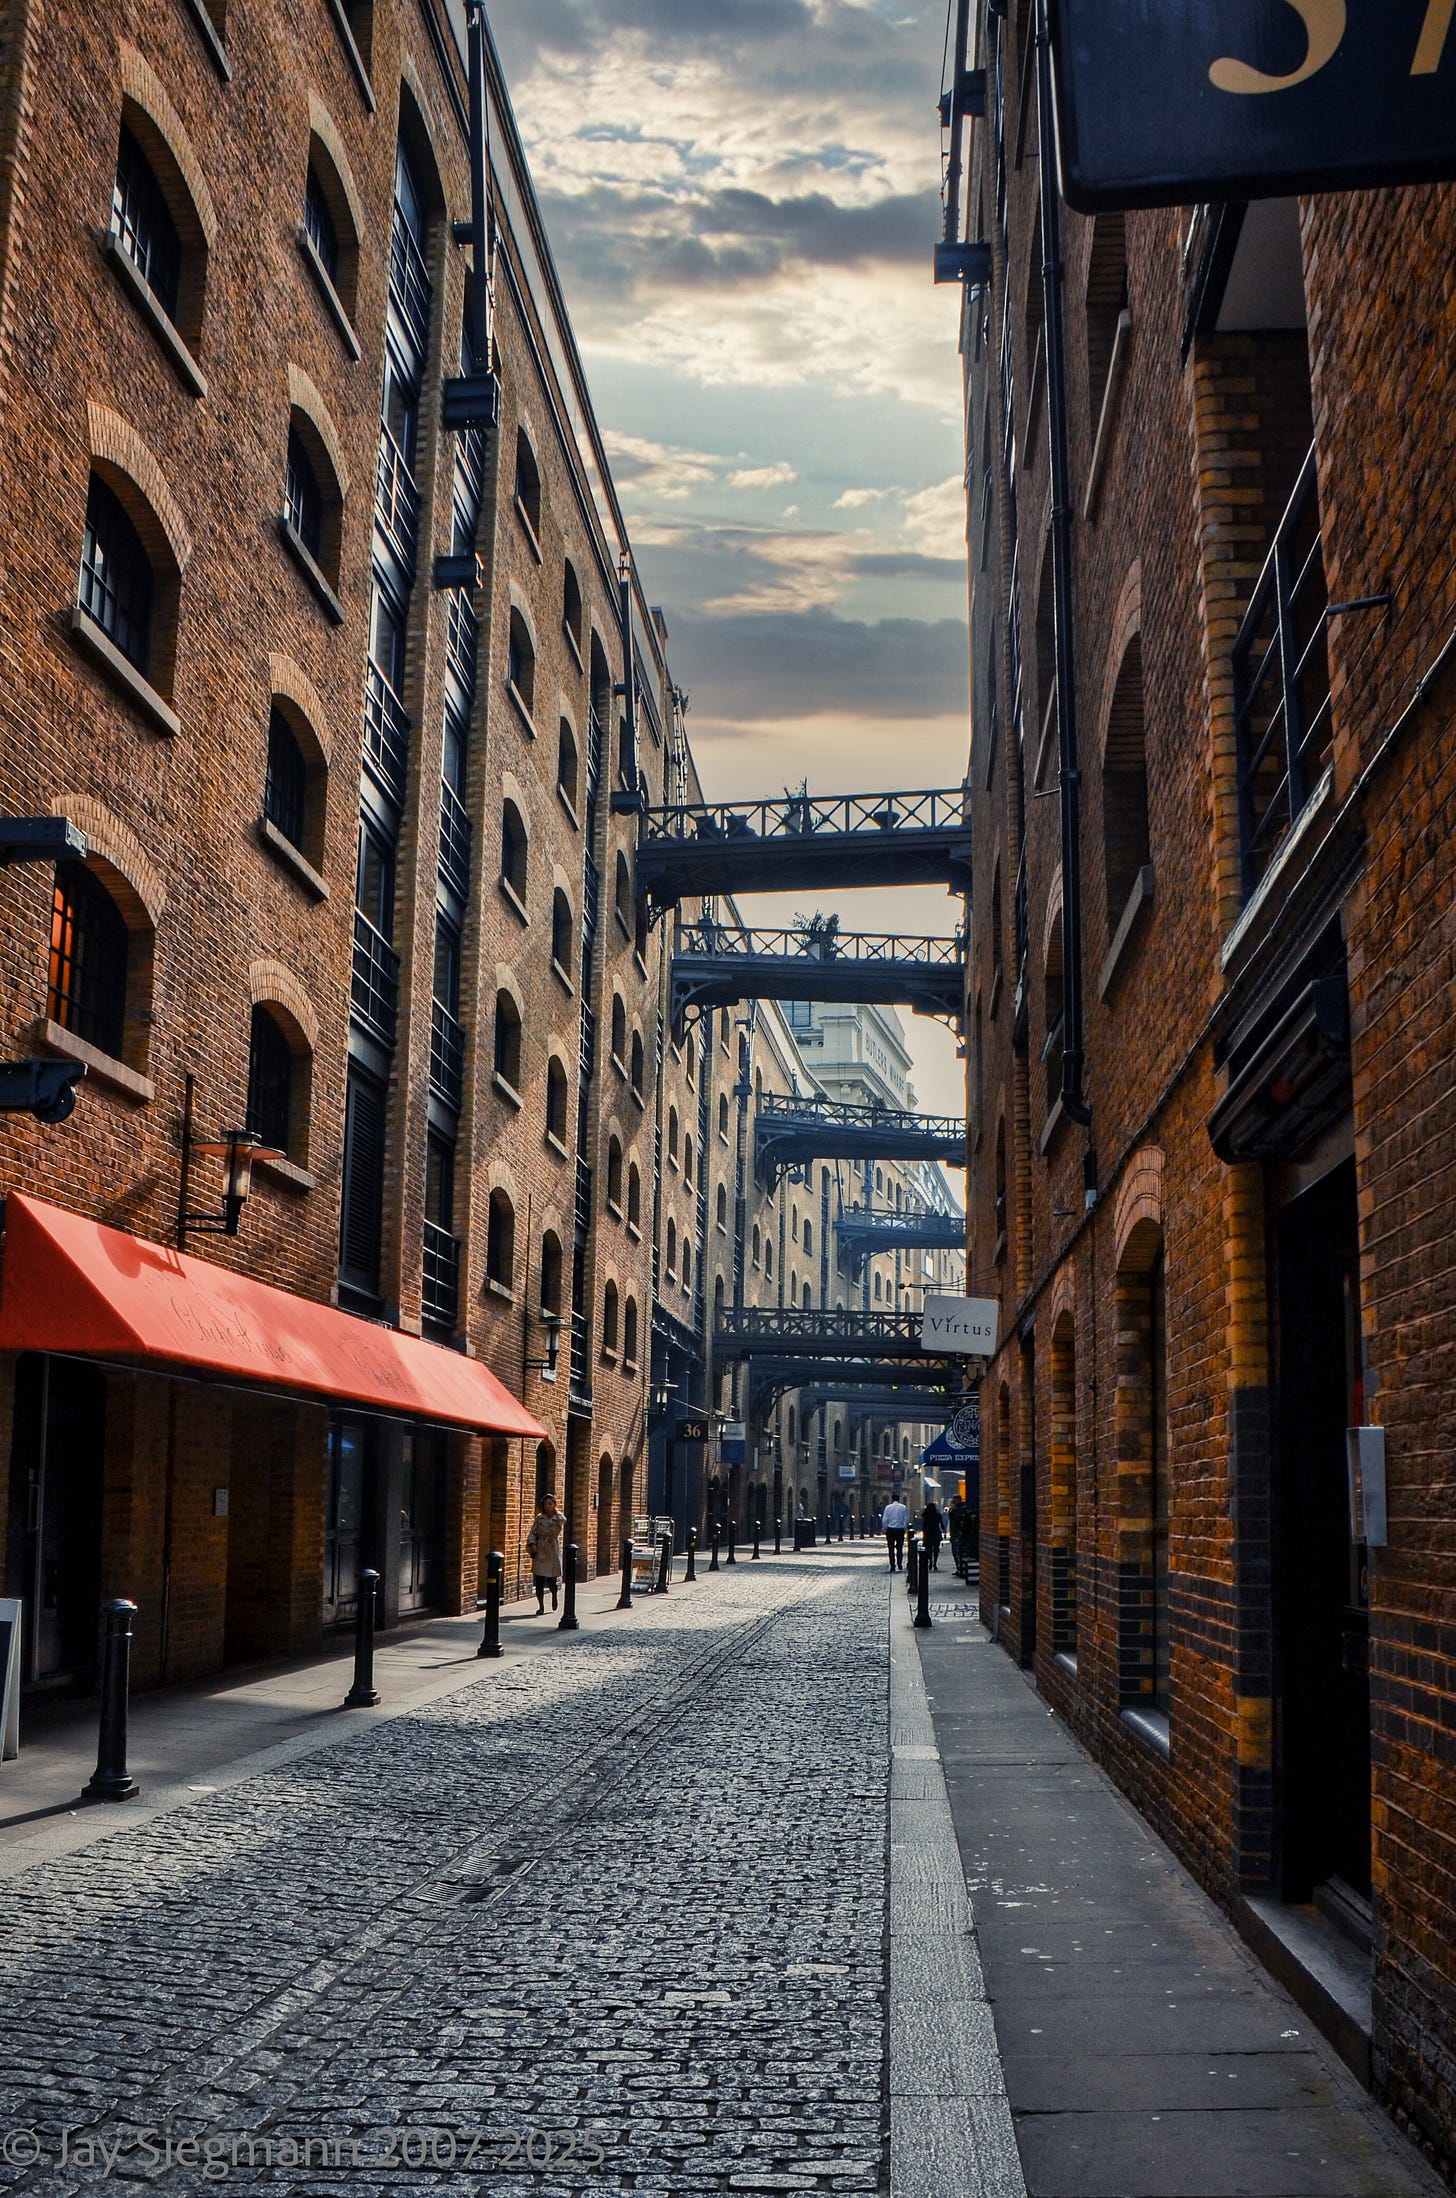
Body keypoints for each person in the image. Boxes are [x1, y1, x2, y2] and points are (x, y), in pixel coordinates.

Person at [526, 1492, 565, 1613]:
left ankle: (554, 1595)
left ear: (554, 1505)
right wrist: (532, 1544)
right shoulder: (539, 1518)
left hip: (552, 1550)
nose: (548, 1506)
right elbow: (533, 1532)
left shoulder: (558, 1518)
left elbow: (563, 1520)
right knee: (539, 1581)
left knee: (552, 1581)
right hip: (541, 1550)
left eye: (550, 1504)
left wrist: (556, 1510)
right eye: (546, 1504)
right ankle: (541, 1606)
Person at [882, 1493, 908, 1572]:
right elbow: (905, 1519)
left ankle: (892, 1565)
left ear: (892, 1499)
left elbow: (885, 1519)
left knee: (891, 1548)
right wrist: (904, 1529)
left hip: (890, 1530)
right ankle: (899, 1564)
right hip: (900, 1530)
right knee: (899, 1548)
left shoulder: (888, 1507)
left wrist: (885, 1529)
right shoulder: (903, 1507)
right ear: (899, 1499)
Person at [947, 1493, 967, 1578]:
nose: (953, 1502)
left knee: (958, 1552)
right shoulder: (955, 1509)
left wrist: (953, 1511)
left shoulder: (962, 1508)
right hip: (954, 1534)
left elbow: (957, 1519)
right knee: (955, 1553)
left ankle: (961, 1569)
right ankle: (959, 1569)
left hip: (959, 1534)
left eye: (954, 1500)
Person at [921, 1498, 944, 1571]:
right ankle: (935, 1563)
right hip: (936, 1533)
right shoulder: (938, 1515)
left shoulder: (926, 1516)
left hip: (929, 1533)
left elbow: (924, 1526)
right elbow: (942, 1524)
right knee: (936, 1549)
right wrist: (944, 1531)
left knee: (929, 1549)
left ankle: (930, 1562)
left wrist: (924, 1533)